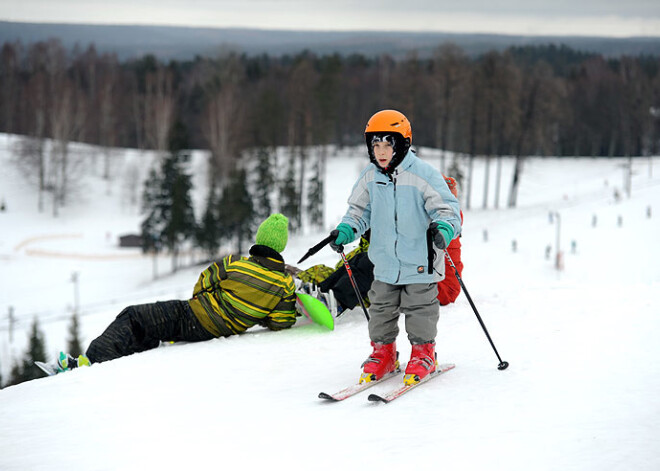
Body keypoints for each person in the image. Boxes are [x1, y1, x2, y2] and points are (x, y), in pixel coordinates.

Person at [49, 213, 297, 373]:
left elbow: (204, 281)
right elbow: (280, 321)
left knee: (134, 316)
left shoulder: (235, 263)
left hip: (193, 316)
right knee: (149, 332)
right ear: (280, 247)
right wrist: (256, 313)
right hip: (220, 329)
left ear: (260, 238)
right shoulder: (284, 283)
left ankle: (90, 364)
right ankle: (110, 365)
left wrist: (200, 304)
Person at [331, 109, 462, 386]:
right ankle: (384, 353)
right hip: (386, 264)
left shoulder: (423, 175)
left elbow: (447, 209)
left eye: (388, 144)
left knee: (420, 310)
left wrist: (445, 229)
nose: (381, 151)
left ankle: (424, 352)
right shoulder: (370, 177)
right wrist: (346, 231)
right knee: (380, 310)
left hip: (421, 262)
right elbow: (358, 212)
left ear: (402, 144)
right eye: (375, 145)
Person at [297, 176, 464, 312]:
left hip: (439, 289)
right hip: (424, 277)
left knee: (377, 262)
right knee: (366, 258)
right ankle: (324, 292)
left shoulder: (444, 222)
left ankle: (337, 302)